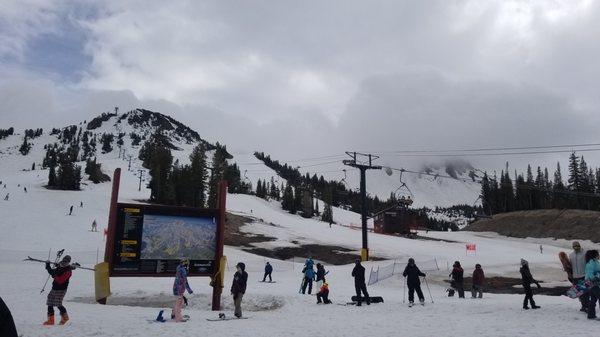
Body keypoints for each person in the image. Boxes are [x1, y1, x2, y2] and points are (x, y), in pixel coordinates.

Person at [43, 255, 76, 325]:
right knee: (50, 303)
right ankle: (51, 320)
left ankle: (65, 317)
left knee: (58, 304)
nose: (64, 262)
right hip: (54, 288)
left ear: (68, 262)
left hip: (61, 290)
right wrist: (48, 265)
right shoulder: (59, 266)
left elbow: (60, 280)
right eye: (63, 261)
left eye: (66, 262)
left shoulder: (68, 271)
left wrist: (54, 275)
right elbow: (52, 272)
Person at [570, 241, 588, 312]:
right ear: (573, 247)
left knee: (585, 292)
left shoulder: (585, 253)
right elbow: (570, 265)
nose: (576, 247)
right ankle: (583, 306)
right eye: (574, 246)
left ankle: (586, 306)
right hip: (575, 276)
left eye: (577, 245)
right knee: (579, 293)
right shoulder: (571, 255)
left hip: (583, 275)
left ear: (580, 245)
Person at [585, 250, 600, 319]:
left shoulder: (595, 262)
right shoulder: (591, 263)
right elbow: (590, 274)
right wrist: (595, 278)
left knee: (593, 299)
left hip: (592, 283)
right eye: (597, 254)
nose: (598, 255)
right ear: (594, 255)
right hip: (593, 283)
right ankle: (591, 315)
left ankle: (591, 315)